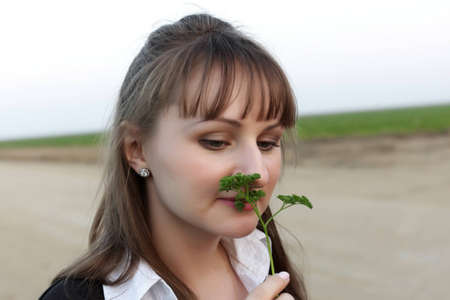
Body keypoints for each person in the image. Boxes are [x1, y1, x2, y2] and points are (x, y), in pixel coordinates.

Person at [39, 13, 307, 300]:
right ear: (137, 149)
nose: (259, 174)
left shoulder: (265, 267)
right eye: (215, 142)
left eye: (267, 143)